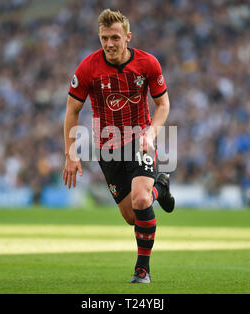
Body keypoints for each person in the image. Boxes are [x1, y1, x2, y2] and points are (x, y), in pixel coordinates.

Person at [63, 9, 175, 283]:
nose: (109, 44)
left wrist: (152, 132)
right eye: (104, 38)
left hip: (140, 141)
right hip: (107, 147)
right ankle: (160, 188)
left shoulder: (147, 64)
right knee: (132, 216)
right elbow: (72, 111)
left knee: (139, 199)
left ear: (128, 37)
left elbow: (163, 105)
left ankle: (142, 269)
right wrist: (71, 153)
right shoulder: (88, 67)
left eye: (115, 37)